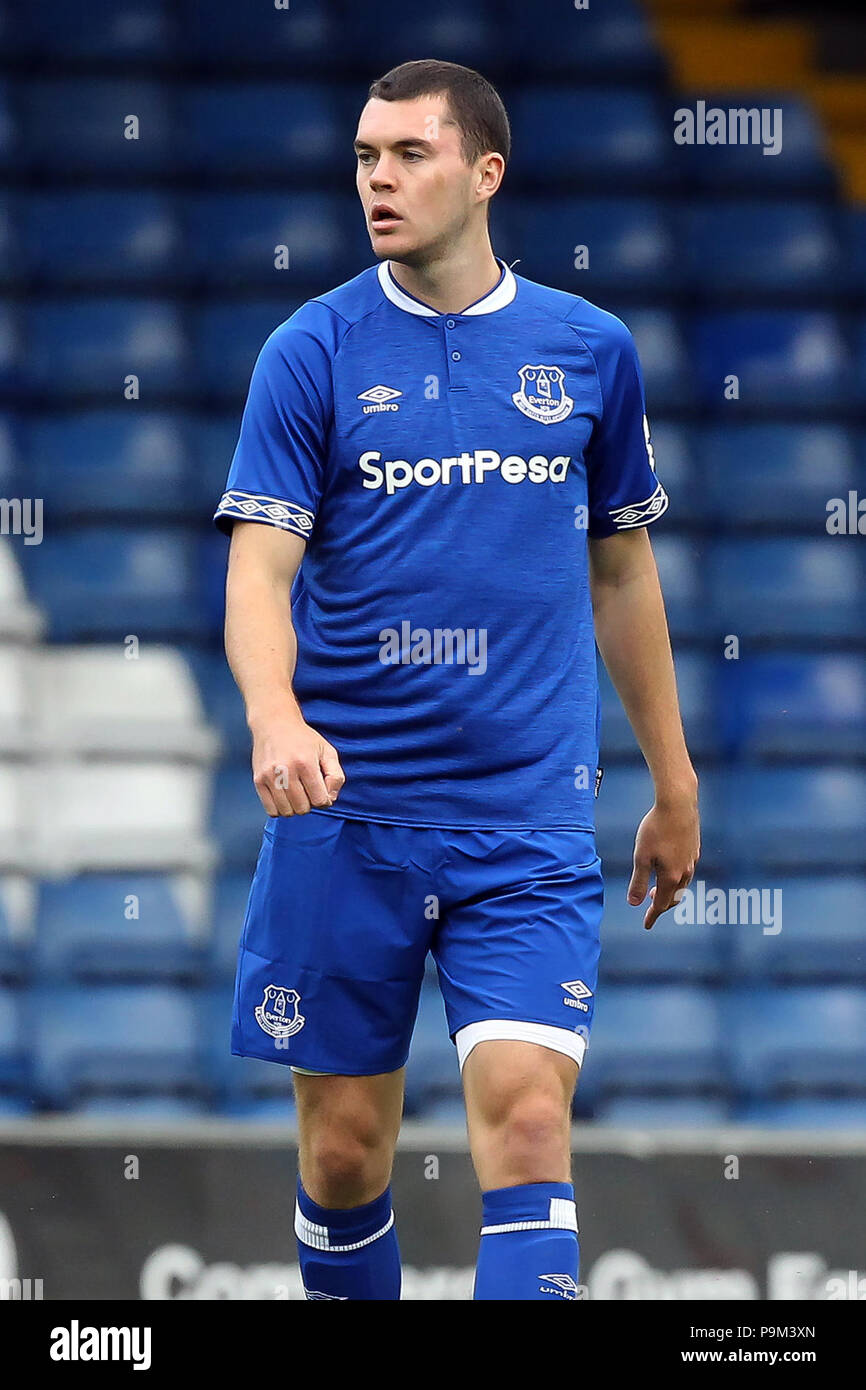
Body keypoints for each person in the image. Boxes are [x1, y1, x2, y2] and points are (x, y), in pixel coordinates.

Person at [215, 59, 700, 1301]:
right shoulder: (309, 350)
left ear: (483, 173)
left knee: (529, 1126)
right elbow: (260, 573)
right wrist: (274, 717)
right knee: (340, 1151)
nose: (378, 178)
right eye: (366, 157)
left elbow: (621, 574)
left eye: (408, 155)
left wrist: (672, 776)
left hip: (525, 817)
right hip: (345, 820)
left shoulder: (588, 352)